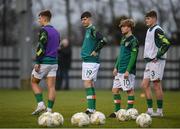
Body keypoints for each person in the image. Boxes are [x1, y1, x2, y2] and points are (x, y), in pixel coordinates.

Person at [141, 10, 171, 117]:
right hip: (149, 62)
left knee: (157, 85)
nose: (146, 20)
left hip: (156, 61)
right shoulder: (149, 30)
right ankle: (150, 110)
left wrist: (158, 55)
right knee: (144, 85)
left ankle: (159, 111)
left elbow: (166, 43)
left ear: (154, 18)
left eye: (148, 18)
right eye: (146, 18)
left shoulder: (157, 30)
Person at [31, 10, 60, 115]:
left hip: (44, 61)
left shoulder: (43, 30)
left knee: (34, 82)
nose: (39, 20)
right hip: (54, 62)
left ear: (44, 18)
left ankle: (40, 104)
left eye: (39, 18)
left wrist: (38, 61)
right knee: (51, 87)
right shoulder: (56, 32)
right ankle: (49, 110)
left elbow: (41, 46)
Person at [109, 19, 139, 118]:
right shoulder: (123, 39)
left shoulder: (133, 41)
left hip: (127, 71)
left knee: (129, 90)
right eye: (121, 26)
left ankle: (129, 111)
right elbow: (120, 55)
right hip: (119, 70)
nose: (122, 28)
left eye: (124, 26)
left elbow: (133, 57)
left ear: (129, 27)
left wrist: (128, 70)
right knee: (114, 89)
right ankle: (117, 111)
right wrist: (115, 67)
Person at [80, 11, 107, 115]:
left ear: (90, 19)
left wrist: (96, 51)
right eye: (82, 20)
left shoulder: (92, 30)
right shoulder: (87, 30)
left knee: (87, 83)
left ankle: (90, 109)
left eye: (85, 19)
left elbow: (103, 40)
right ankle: (92, 109)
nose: (83, 21)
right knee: (90, 83)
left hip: (91, 61)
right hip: (87, 62)